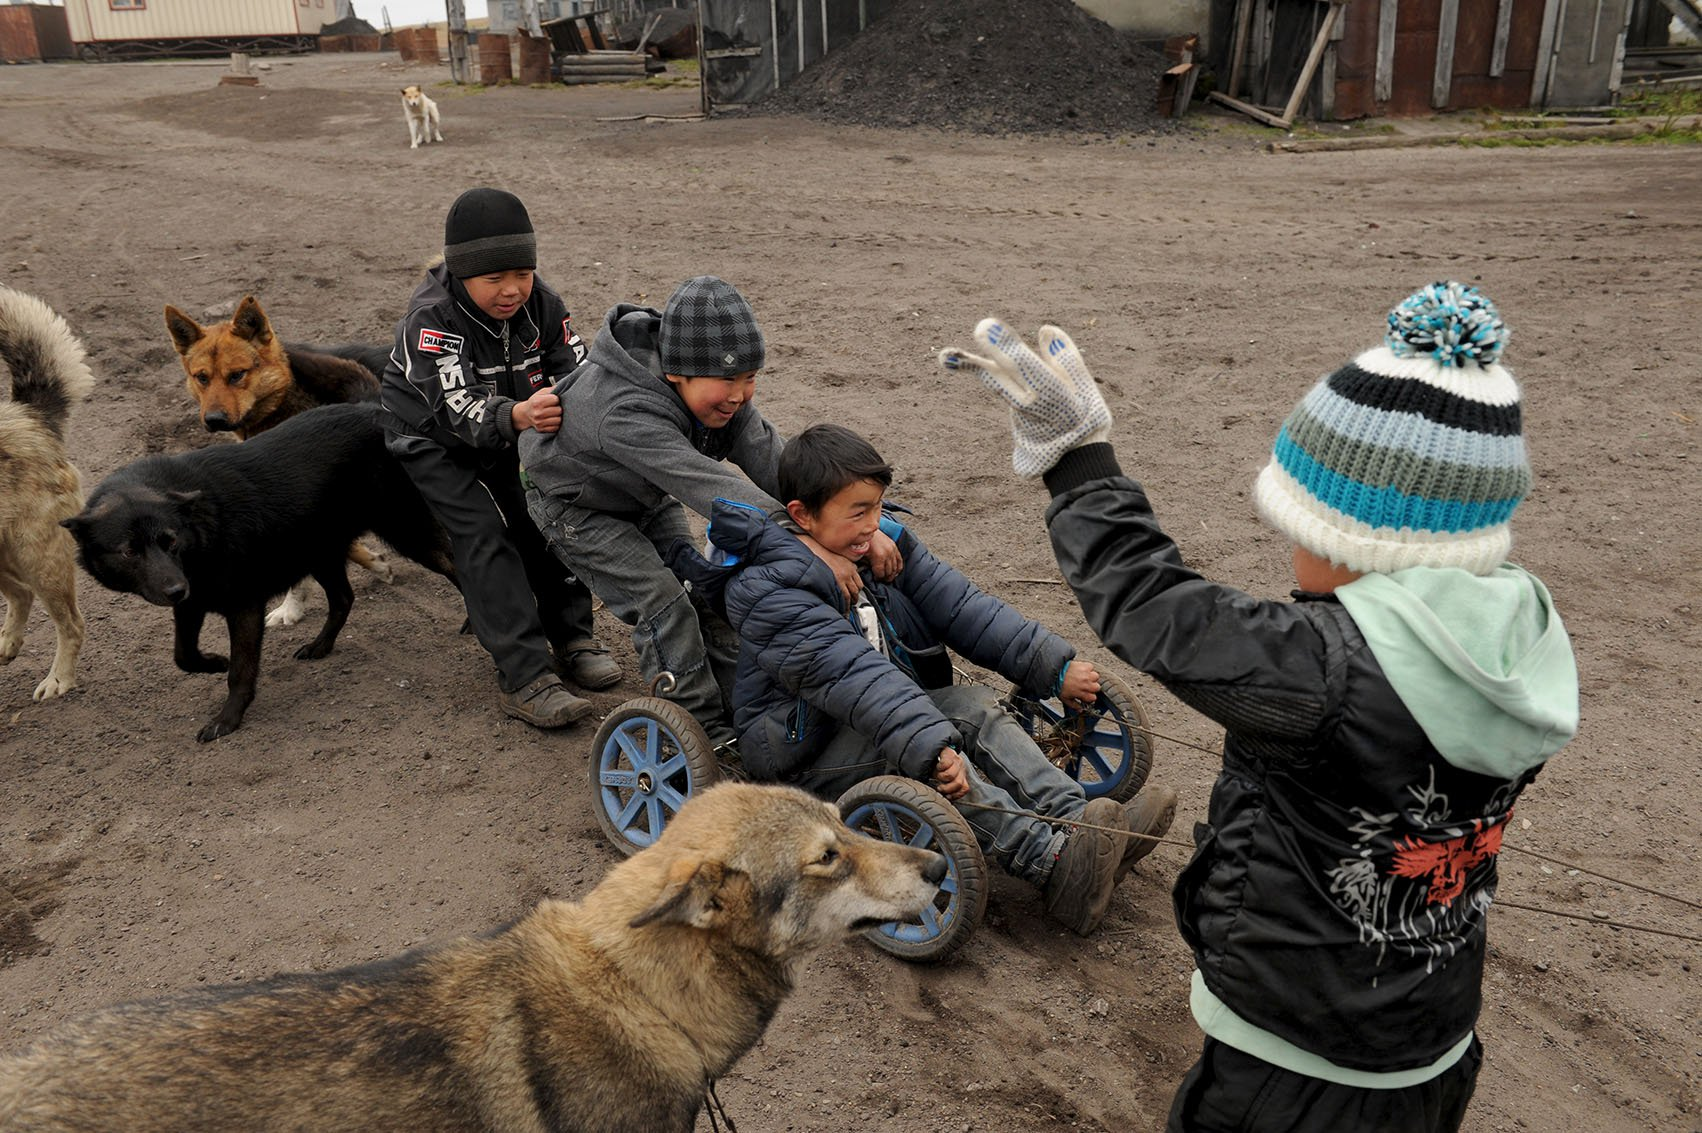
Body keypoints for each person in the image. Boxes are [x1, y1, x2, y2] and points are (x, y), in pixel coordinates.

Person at [941, 282, 1579, 1132]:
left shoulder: (1327, 667)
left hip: (1296, 1061)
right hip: (1433, 1040)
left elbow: (1155, 606)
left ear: (1358, 542)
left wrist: (1077, 457)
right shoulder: (1525, 632)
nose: (1291, 546)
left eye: (1303, 524)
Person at [691, 423, 1179, 937]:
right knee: (934, 752)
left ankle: (1081, 825)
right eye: (858, 512)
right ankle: (1050, 862)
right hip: (809, 749)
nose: (873, 524)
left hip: (884, 711)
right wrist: (930, 745)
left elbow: (967, 609)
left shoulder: (875, 547)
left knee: (974, 706)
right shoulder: (768, 594)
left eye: (878, 508)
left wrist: (1049, 667)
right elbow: (854, 676)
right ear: (802, 517)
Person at [519, 276, 897, 747]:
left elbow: (772, 458)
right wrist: (805, 542)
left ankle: (732, 694)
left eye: (750, 378)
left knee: (702, 584)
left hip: (642, 492)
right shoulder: (625, 411)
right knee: (663, 604)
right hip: (575, 507)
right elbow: (712, 487)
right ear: (678, 373)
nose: (739, 395)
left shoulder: (718, 392)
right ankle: (702, 730)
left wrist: (856, 522)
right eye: (728, 381)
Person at [380, 187, 620, 729]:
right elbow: (458, 408)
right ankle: (525, 676)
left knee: (549, 506)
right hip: (431, 437)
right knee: (486, 533)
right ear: (462, 274)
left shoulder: (543, 304)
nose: (512, 290)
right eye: (494, 280)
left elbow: (580, 372)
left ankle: (573, 636)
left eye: (522, 274)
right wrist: (521, 416)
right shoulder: (432, 320)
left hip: (515, 422)